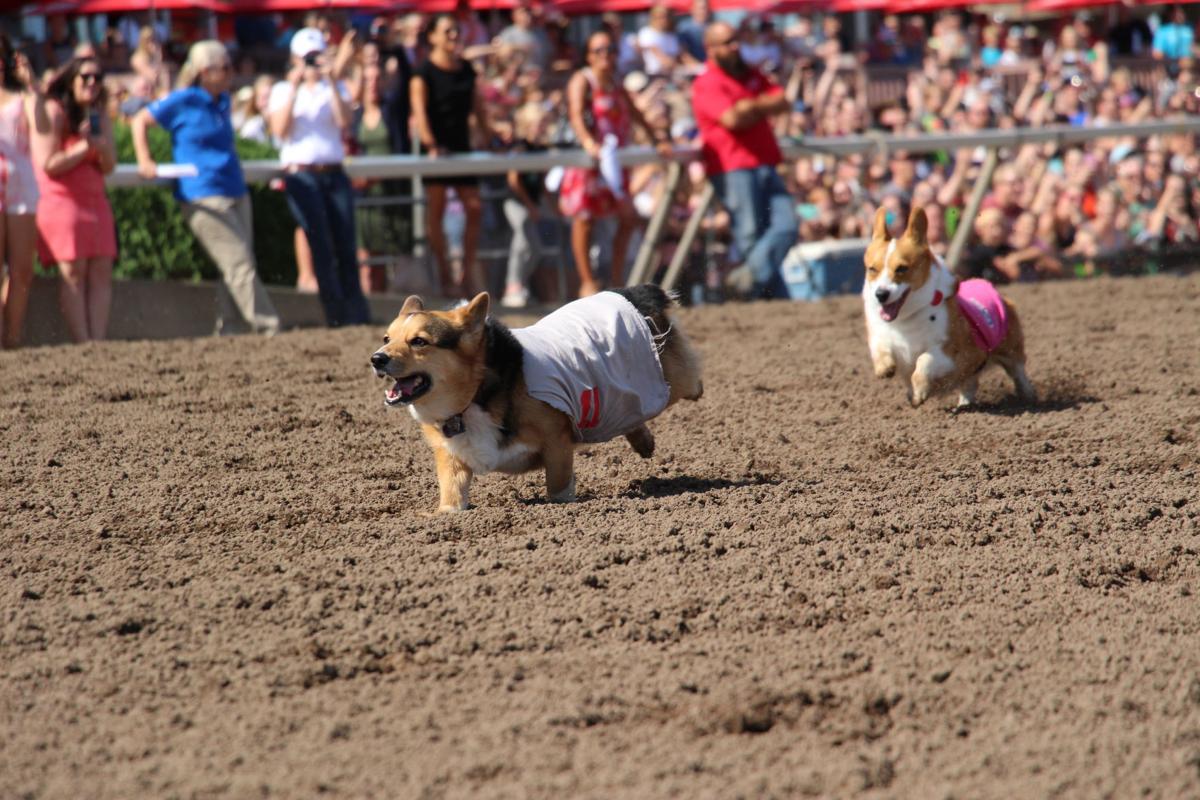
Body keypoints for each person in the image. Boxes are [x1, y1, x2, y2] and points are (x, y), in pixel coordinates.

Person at [132, 40, 281, 337]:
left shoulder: (222, 101)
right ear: (205, 71)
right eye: (224, 67)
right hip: (202, 194)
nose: (230, 72)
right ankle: (269, 328)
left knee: (238, 265)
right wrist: (145, 159)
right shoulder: (184, 99)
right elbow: (140, 120)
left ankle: (232, 329)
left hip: (234, 190)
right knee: (239, 264)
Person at [268, 27, 369, 327]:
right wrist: (296, 84)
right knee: (322, 246)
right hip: (302, 175)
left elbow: (344, 122)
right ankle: (336, 316)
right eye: (307, 57)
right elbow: (280, 130)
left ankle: (356, 314)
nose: (312, 62)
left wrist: (329, 78)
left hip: (333, 173)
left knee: (345, 244)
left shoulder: (333, 87)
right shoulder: (282, 90)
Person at [692, 21, 796, 299]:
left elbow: (783, 101)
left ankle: (744, 280)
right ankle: (776, 300)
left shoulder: (750, 74)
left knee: (787, 225)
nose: (735, 46)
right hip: (731, 166)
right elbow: (732, 119)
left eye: (735, 39)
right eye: (727, 42)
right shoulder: (707, 82)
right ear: (710, 49)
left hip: (764, 161)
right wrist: (758, 106)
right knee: (751, 235)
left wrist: (750, 106)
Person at [563, 29, 671, 297]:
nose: (606, 55)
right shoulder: (583, 80)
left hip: (614, 162)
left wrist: (657, 139)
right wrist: (588, 141)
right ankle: (587, 280)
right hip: (592, 161)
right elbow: (576, 114)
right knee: (584, 221)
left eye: (610, 49)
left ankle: (615, 280)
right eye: (599, 50)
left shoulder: (616, 82)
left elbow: (636, 114)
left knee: (627, 217)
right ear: (589, 55)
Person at [32, 56, 116, 343]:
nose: (93, 83)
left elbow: (109, 165)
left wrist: (99, 147)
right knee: (74, 270)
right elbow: (48, 163)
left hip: (95, 200)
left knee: (101, 268)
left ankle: (98, 341)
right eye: (86, 77)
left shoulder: (99, 113)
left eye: (98, 77)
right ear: (71, 81)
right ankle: (83, 342)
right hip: (61, 201)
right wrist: (84, 147)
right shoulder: (55, 111)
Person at [410, 13, 494, 299]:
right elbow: (420, 112)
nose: (454, 36)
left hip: (461, 146)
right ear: (432, 36)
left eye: (456, 31)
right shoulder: (423, 72)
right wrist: (432, 144)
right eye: (447, 31)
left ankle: (465, 273)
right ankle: (445, 273)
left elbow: (478, 108)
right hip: (437, 148)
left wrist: (491, 137)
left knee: (474, 207)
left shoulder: (466, 69)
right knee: (437, 208)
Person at [0, 40, 45, 349]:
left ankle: (13, 338)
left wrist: (34, 87)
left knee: (22, 270)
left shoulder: (22, 98)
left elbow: (41, 127)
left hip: (20, 187)